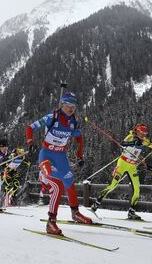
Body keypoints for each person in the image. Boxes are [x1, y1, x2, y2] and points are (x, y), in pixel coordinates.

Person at [26, 91, 92, 235]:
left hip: (61, 156)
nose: (71, 108)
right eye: (68, 105)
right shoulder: (51, 118)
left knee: (69, 181)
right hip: (46, 156)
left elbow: (79, 137)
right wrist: (30, 142)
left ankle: (75, 213)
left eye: (73, 106)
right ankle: (51, 222)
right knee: (57, 185)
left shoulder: (73, 122)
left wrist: (79, 156)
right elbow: (30, 127)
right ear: (62, 104)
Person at [91, 123, 152, 220]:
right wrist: (134, 142)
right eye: (142, 133)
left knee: (137, 189)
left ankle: (132, 212)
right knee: (113, 185)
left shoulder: (144, 141)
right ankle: (96, 203)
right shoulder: (131, 137)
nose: (143, 135)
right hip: (122, 163)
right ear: (137, 131)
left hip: (132, 166)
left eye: (144, 133)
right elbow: (123, 143)